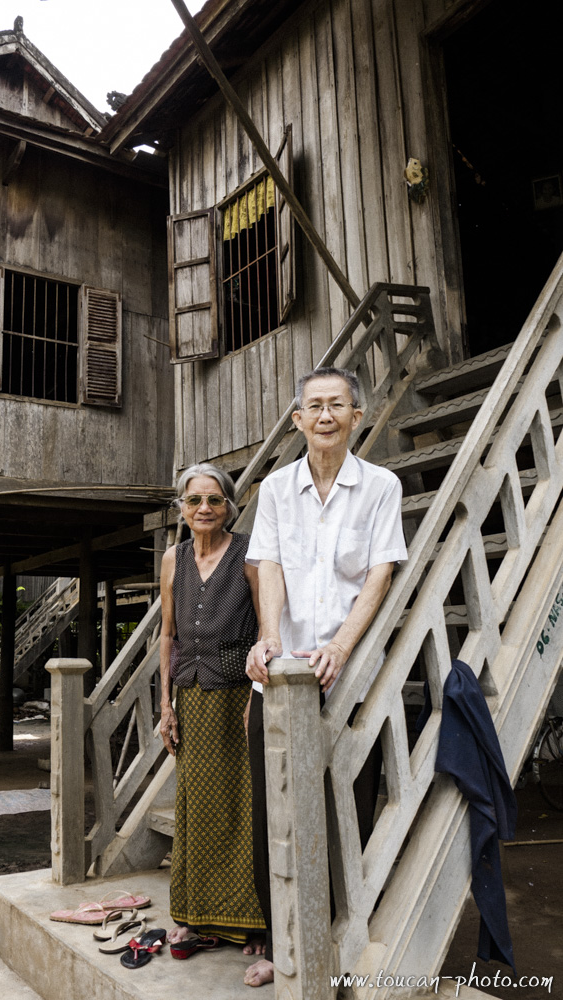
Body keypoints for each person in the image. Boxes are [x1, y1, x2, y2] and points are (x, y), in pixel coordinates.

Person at [244, 367, 408, 987]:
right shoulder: (278, 489)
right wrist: (270, 639)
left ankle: (342, 936)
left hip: (347, 672)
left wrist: (341, 645)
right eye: (313, 406)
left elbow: (378, 573)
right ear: (297, 420)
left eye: (337, 405)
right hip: (281, 677)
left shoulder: (381, 487)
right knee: (275, 806)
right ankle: (278, 940)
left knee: (349, 804)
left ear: (356, 416)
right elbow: (269, 566)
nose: (324, 416)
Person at [159, 462, 266, 953]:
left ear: (228, 506)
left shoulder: (248, 553)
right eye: (194, 500)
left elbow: (267, 629)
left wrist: (257, 696)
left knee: (246, 805)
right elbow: (168, 635)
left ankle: (252, 923)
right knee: (196, 806)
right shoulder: (173, 558)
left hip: (239, 697)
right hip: (191, 698)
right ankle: (195, 914)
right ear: (181, 508)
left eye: (215, 500)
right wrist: (166, 703)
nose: (204, 508)